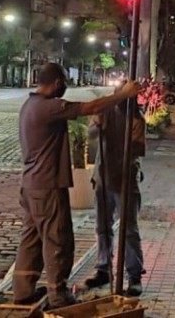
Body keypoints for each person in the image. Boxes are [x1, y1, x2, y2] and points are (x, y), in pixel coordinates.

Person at [13, 63, 141, 307]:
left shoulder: (29, 105)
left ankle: (23, 292)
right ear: (58, 83)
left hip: (30, 185)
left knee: (31, 240)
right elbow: (89, 107)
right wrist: (123, 95)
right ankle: (58, 295)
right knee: (58, 240)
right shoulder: (48, 107)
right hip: (48, 187)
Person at [84, 92, 146, 296]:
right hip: (102, 178)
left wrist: (120, 140)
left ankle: (134, 275)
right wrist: (99, 126)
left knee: (128, 230)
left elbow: (137, 148)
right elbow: (91, 134)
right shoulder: (104, 112)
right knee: (102, 226)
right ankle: (103, 268)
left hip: (125, 181)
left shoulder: (136, 120)